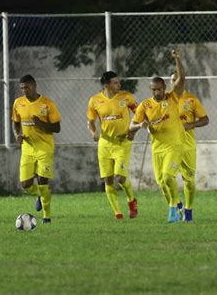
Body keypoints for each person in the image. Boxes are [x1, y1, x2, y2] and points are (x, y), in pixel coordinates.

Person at [129, 49, 185, 223]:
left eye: (159, 89)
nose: (157, 93)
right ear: (151, 90)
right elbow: (131, 126)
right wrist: (140, 125)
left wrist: (177, 59)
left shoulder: (173, 97)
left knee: (169, 177)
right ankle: (178, 206)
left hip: (174, 145)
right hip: (157, 148)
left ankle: (172, 210)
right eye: (154, 90)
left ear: (164, 88)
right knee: (162, 183)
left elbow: (181, 79)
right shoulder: (145, 106)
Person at [87, 71, 138, 219]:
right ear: (106, 85)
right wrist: (94, 133)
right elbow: (90, 122)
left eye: (118, 82)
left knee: (120, 178)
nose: (119, 85)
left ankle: (132, 201)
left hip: (122, 143)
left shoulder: (126, 97)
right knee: (108, 181)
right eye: (115, 83)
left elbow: (139, 113)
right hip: (105, 144)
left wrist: (134, 131)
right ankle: (118, 213)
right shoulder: (95, 100)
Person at [12, 75, 61, 224]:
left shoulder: (47, 104)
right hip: (27, 148)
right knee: (25, 184)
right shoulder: (18, 103)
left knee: (43, 182)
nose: (24, 91)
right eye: (22, 88)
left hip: (45, 148)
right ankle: (41, 195)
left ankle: (46, 217)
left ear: (34, 86)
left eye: (27, 87)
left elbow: (57, 128)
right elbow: (15, 123)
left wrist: (40, 124)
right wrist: (17, 135)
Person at [171, 74, 209, 222]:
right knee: (166, 179)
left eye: (178, 79)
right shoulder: (165, 99)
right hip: (170, 146)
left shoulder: (191, 99)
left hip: (187, 145)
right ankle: (177, 204)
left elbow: (205, 120)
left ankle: (188, 210)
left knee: (189, 180)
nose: (176, 82)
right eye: (173, 80)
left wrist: (190, 125)